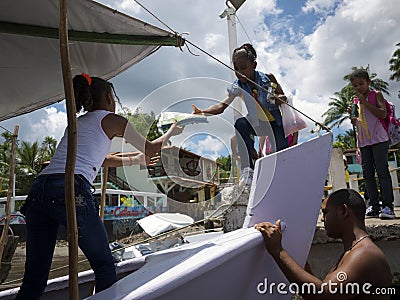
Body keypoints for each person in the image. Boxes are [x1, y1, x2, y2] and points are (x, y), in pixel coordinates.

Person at [16, 74, 183, 299]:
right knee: (104, 265)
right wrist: (172, 130)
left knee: (35, 277)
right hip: (70, 189)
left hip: (40, 190)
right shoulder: (113, 119)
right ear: (107, 97)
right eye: (113, 97)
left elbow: (102, 159)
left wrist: (135, 160)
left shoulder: (76, 124)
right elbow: (151, 149)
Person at [255, 189, 392, 299]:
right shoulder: (354, 250)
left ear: (343, 211)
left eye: (325, 212)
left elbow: (323, 294)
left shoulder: (365, 254)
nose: (322, 218)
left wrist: (278, 252)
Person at [192, 43, 288, 186]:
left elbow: (283, 97)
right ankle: (247, 169)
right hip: (258, 124)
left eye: (243, 68)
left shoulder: (268, 79)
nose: (240, 73)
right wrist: (202, 112)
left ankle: (283, 176)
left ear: (254, 65)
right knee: (240, 123)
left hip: (275, 124)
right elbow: (221, 106)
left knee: (281, 155)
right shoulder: (238, 86)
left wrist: (279, 98)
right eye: (236, 69)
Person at [350, 69, 395, 219]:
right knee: (368, 174)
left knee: (382, 172)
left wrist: (365, 102)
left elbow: (382, 113)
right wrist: (353, 116)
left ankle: (388, 206)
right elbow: (357, 122)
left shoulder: (375, 95)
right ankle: (374, 206)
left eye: (361, 84)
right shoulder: (355, 101)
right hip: (364, 141)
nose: (359, 88)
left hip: (379, 138)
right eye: (355, 86)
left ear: (368, 82)